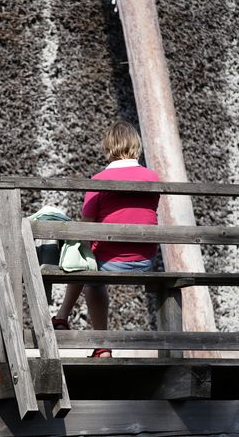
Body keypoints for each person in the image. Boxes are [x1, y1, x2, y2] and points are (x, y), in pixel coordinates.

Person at [52, 120, 160, 358]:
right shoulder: (153, 178)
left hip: (109, 262)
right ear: (136, 146)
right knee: (87, 257)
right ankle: (61, 317)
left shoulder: (98, 180)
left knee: (85, 263)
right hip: (145, 261)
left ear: (108, 147)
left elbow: (85, 227)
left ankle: (101, 343)